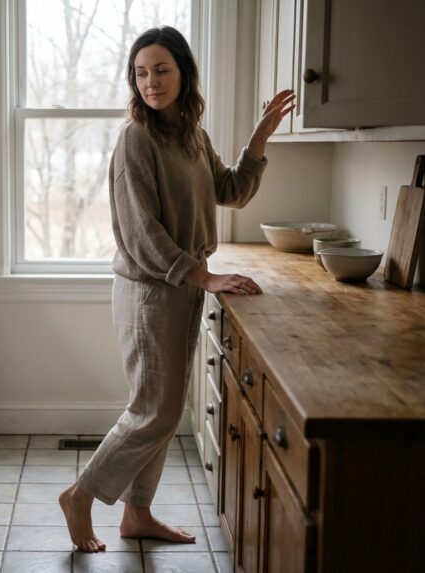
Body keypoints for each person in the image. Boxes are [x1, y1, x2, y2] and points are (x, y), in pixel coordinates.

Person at [58, 26, 295, 553]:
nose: (151, 82)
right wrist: (204, 276)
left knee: (164, 408)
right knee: (155, 410)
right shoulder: (135, 138)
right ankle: (81, 496)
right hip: (149, 291)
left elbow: (231, 191)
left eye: (161, 70)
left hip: (181, 287)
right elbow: (141, 230)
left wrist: (259, 139)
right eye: (141, 73)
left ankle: (137, 515)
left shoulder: (192, 136)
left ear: (184, 73)